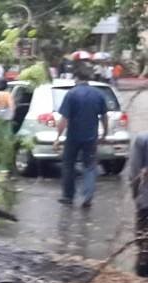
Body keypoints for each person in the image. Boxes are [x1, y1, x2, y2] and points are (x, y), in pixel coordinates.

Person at [52, 67, 108, 207]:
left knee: (68, 165)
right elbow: (104, 116)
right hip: (91, 137)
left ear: (76, 78)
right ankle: (87, 195)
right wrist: (105, 133)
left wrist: (58, 137)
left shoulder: (71, 94)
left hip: (73, 137)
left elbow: (64, 119)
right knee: (89, 166)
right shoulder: (98, 94)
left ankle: (68, 196)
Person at [128, 132, 148, 276]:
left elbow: (134, 173)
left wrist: (137, 196)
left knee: (144, 246)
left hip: (146, 202)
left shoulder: (143, 140)